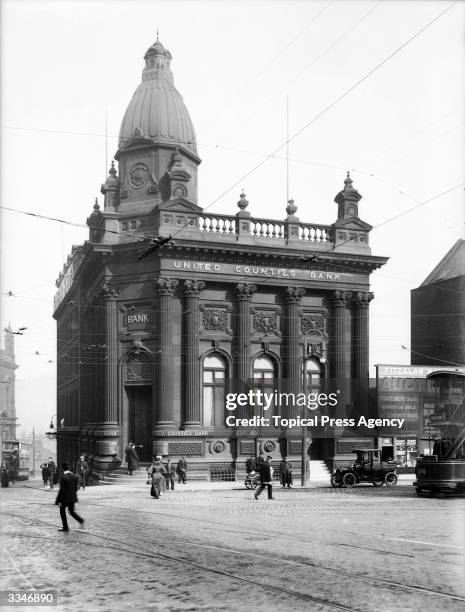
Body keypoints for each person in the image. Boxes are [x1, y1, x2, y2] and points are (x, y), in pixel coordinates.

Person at [55, 462, 84, 532]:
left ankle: (65, 527)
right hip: (72, 498)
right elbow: (76, 488)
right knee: (71, 511)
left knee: (62, 511)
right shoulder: (74, 476)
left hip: (64, 499)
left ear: (63, 469)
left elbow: (61, 490)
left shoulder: (63, 477)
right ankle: (81, 520)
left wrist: (58, 501)